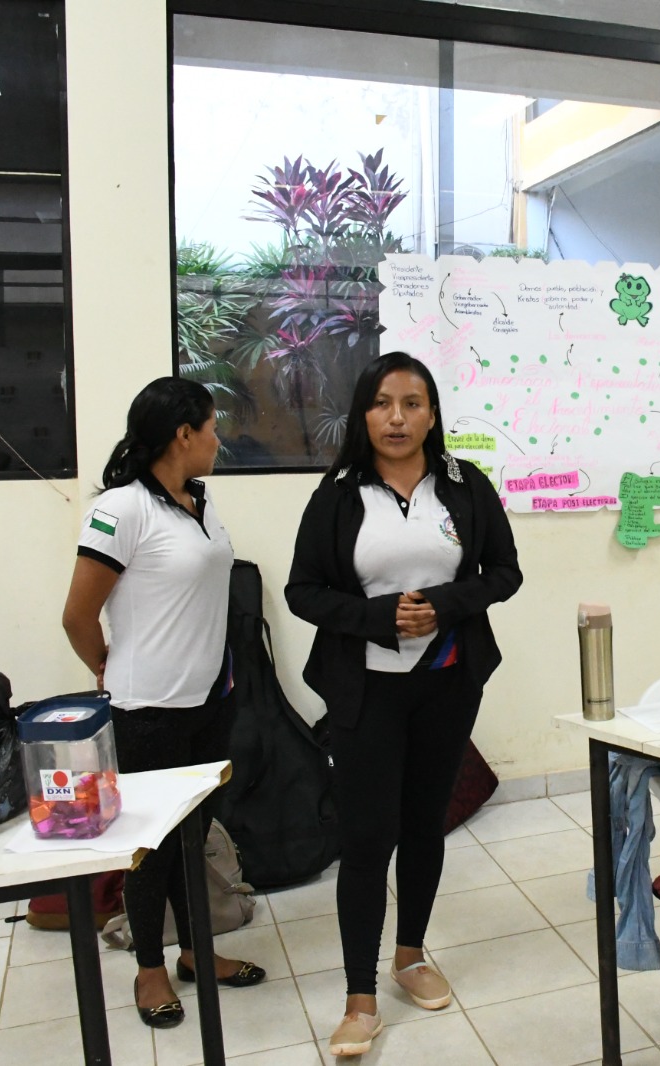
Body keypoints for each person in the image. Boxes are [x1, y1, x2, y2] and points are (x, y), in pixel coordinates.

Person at [286, 352, 521, 1058]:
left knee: (424, 826)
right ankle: (359, 999)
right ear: (363, 414)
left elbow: (504, 572)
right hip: (365, 690)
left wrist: (444, 605)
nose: (397, 418)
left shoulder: (464, 485)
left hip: (447, 683)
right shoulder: (338, 493)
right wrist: (378, 616)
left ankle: (411, 955)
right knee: (367, 838)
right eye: (383, 403)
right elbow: (303, 591)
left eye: (412, 403)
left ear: (432, 414)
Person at [61, 378, 266, 1030]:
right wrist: (104, 664)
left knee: (193, 838)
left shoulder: (199, 501)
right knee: (151, 847)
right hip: (148, 707)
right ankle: (149, 967)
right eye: (211, 427)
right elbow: (77, 615)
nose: (218, 439)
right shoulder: (122, 509)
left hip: (209, 700)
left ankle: (195, 952)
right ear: (183, 434)